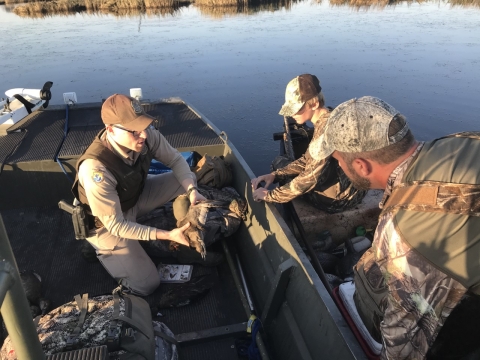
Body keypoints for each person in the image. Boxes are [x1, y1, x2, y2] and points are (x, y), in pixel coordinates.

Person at [315, 96, 480, 359]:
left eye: (338, 161)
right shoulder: (462, 141)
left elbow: (403, 342)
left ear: (361, 165)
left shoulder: (401, 234)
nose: (339, 166)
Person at [72, 93, 208, 296]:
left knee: (185, 180)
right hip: (106, 225)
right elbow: (116, 225)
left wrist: (192, 191)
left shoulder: (145, 135)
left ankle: (182, 232)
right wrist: (166, 235)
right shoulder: (95, 170)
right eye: (134, 131)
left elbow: (176, 161)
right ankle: (99, 250)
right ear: (110, 130)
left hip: (133, 198)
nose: (143, 135)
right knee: (147, 284)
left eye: (143, 126)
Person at [251, 74, 365, 213]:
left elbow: (308, 180)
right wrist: (276, 175)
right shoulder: (332, 114)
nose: (292, 114)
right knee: (281, 168)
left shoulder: (325, 133)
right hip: (356, 190)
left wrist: (269, 195)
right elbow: (307, 160)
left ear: (314, 104)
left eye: (297, 109)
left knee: (279, 161)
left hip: (338, 200)